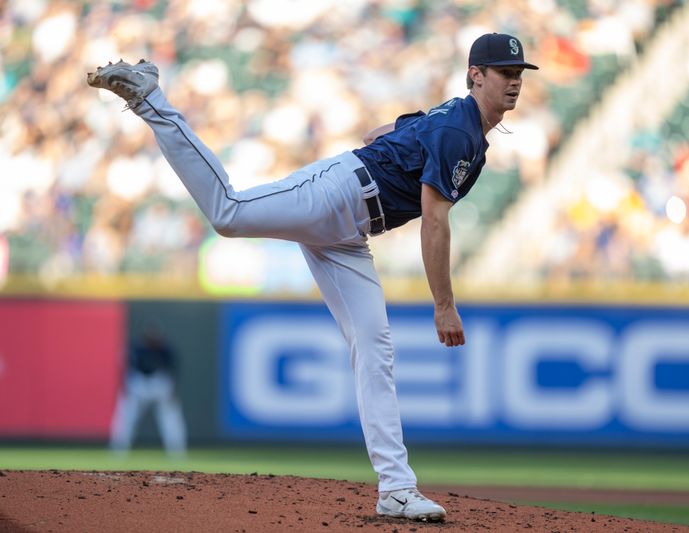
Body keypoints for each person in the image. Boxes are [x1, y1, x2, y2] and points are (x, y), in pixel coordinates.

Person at [87, 32, 537, 522]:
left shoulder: (459, 122)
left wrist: (394, 145)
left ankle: (396, 489)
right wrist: (444, 303)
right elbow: (434, 220)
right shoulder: (460, 131)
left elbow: (389, 128)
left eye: (518, 74)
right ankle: (152, 97)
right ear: (476, 75)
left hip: (351, 232)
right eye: (504, 73)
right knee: (229, 214)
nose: (514, 83)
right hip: (341, 192)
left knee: (375, 347)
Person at [109, 323, 188, 458]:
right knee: (126, 416)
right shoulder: (137, 348)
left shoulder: (166, 350)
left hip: (159, 384)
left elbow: (173, 371)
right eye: (150, 338)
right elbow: (128, 369)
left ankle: (177, 453)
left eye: (156, 339)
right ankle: (118, 451)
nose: (153, 341)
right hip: (139, 384)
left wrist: (173, 390)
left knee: (171, 417)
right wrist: (126, 388)